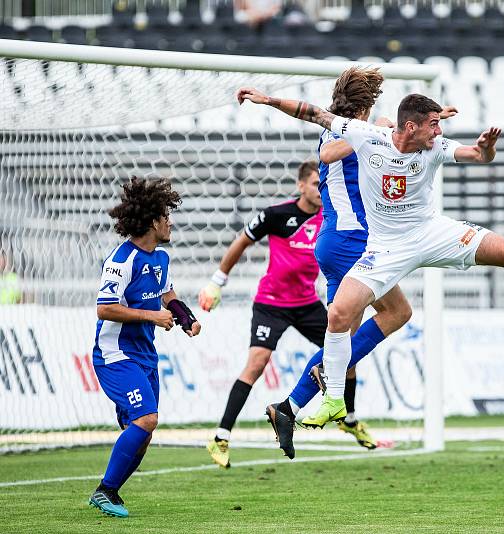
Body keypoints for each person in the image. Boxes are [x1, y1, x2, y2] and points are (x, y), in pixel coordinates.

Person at [235, 87, 504, 432]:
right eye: (433, 125)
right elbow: (312, 113)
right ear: (410, 128)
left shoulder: (436, 146)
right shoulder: (367, 137)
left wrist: (486, 148)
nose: (439, 132)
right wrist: (265, 99)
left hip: (433, 233)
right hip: (385, 248)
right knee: (338, 315)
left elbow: (477, 154)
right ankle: (334, 400)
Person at [263, 67, 457, 460]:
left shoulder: (364, 130)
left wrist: (417, 129)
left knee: (353, 333)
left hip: (343, 242)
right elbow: (327, 153)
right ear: (367, 105)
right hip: (350, 241)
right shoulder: (344, 133)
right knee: (389, 317)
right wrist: (376, 134)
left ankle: (290, 406)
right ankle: (313, 386)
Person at [200, 161, 351, 467]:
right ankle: (221, 436)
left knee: (348, 345)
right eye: (312, 184)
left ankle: (350, 418)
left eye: (321, 185)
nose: (319, 191)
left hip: (307, 303)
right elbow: (242, 241)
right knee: (256, 363)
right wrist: (218, 282)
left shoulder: (330, 218)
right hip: (272, 303)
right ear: (300, 186)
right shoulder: (276, 214)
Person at [89, 177, 201, 518]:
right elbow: (104, 307)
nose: (170, 222)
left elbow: (168, 296)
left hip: (145, 356)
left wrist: (186, 319)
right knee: (147, 419)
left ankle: (112, 492)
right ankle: (104, 491)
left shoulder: (161, 257)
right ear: (152, 221)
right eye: (166, 216)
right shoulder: (121, 260)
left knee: (143, 432)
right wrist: (153, 316)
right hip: (114, 355)